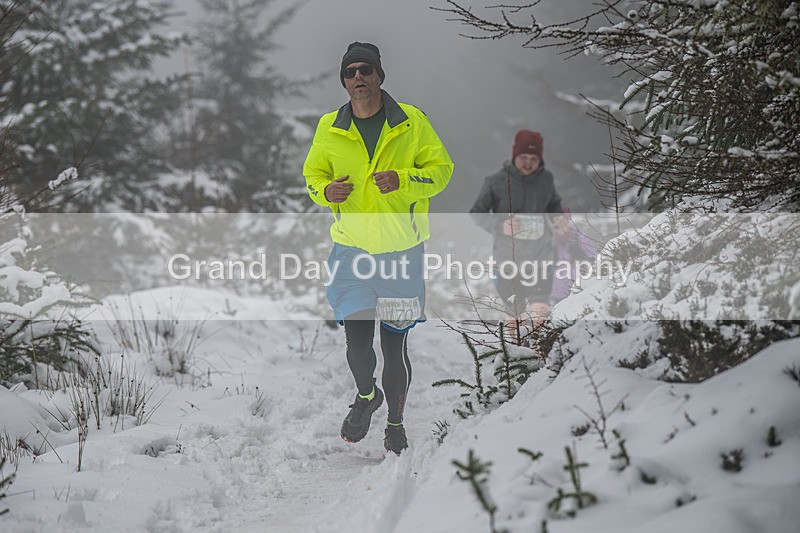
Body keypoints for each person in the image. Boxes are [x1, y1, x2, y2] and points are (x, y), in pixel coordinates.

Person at [303, 42, 453, 455]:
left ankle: (395, 423)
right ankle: (367, 396)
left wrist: (404, 180)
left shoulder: (411, 121)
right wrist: (326, 191)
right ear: (344, 81)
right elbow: (313, 177)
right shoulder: (329, 127)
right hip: (351, 253)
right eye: (350, 72)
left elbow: (442, 172)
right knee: (356, 346)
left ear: (379, 76)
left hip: (402, 253)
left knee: (393, 347)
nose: (358, 78)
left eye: (365, 70)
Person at [470, 129, 563, 338]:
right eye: (523, 158)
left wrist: (558, 218)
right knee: (516, 314)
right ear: (514, 156)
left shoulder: (546, 179)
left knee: (541, 312)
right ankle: (516, 359)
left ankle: (544, 360)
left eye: (533, 158)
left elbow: (554, 203)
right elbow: (477, 213)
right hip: (508, 260)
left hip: (541, 256)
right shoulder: (495, 181)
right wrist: (500, 225)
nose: (528, 163)